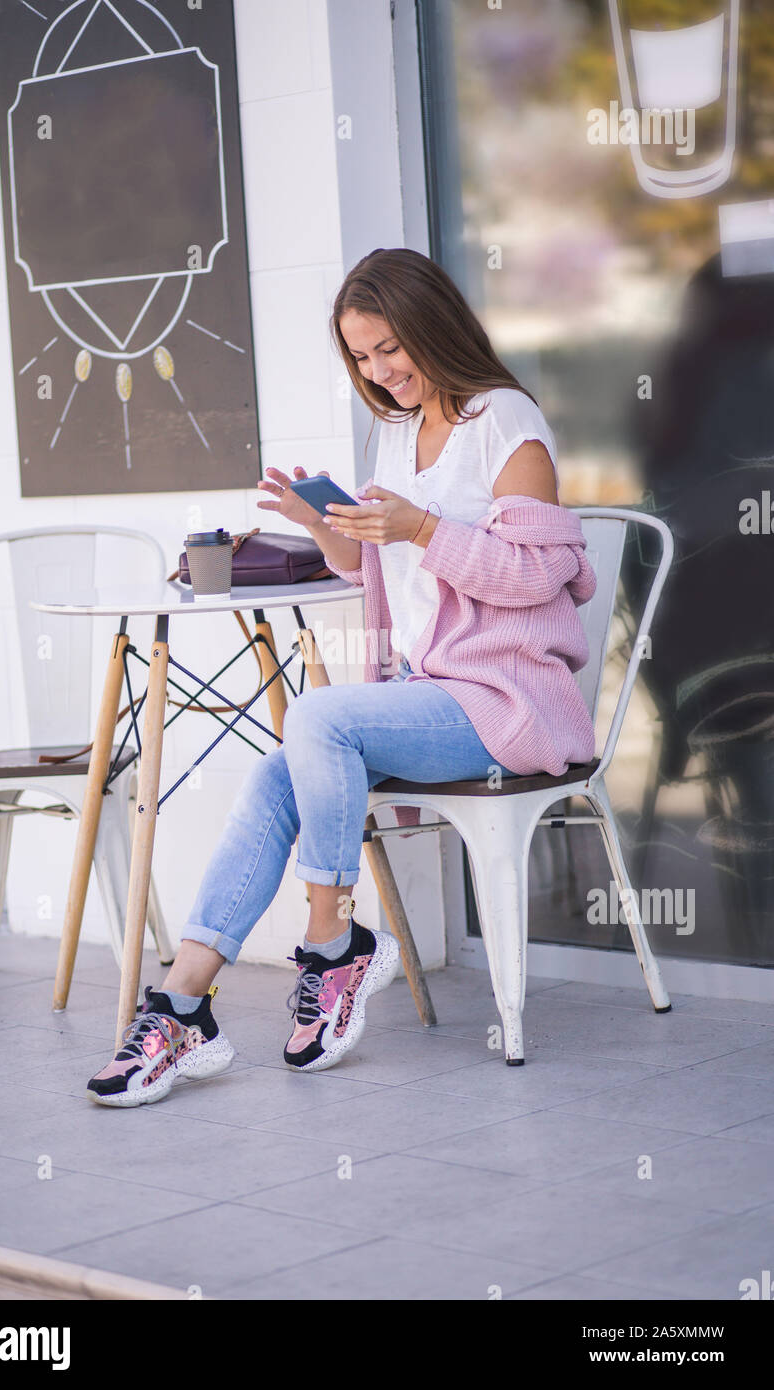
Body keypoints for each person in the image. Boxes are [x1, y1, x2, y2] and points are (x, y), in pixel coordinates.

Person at [87, 247, 597, 1107]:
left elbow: (536, 577)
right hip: (426, 694)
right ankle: (182, 1007)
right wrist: (326, 527)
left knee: (317, 718)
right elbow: (375, 573)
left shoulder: (506, 423)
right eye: (361, 357)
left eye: (390, 348)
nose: (380, 371)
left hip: (508, 701)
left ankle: (334, 943)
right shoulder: (392, 432)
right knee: (278, 768)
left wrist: (421, 527)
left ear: (434, 327)